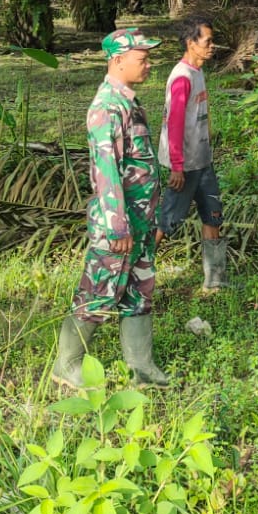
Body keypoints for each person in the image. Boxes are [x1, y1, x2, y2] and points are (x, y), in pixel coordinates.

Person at [54, 27, 170, 389]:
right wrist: (118, 227)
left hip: (140, 222)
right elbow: (106, 173)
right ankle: (67, 365)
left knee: (139, 291)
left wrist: (149, 219)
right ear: (117, 61)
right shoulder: (106, 108)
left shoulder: (129, 102)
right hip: (119, 226)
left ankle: (141, 367)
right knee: (99, 291)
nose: (149, 65)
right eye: (142, 58)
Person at [154, 17, 230, 291]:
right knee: (167, 221)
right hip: (185, 166)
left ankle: (215, 280)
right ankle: (135, 275)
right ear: (191, 43)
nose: (212, 46)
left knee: (213, 214)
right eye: (207, 41)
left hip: (202, 161)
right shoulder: (182, 78)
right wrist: (177, 166)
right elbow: (174, 125)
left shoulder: (197, 72)